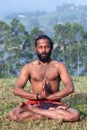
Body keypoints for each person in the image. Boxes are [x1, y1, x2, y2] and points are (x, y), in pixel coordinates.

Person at [8, 35, 80, 122]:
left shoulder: (59, 66)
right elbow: (17, 89)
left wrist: (51, 97)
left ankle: (37, 112)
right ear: (36, 48)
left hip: (54, 103)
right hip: (35, 103)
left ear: (51, 48)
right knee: (13, 115)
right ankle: (52, 114)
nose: (43, 50)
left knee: (74, 115)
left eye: (47, 47)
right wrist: (37, 96)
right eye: (40, 47)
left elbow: (70, 88)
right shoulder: (28, 67)